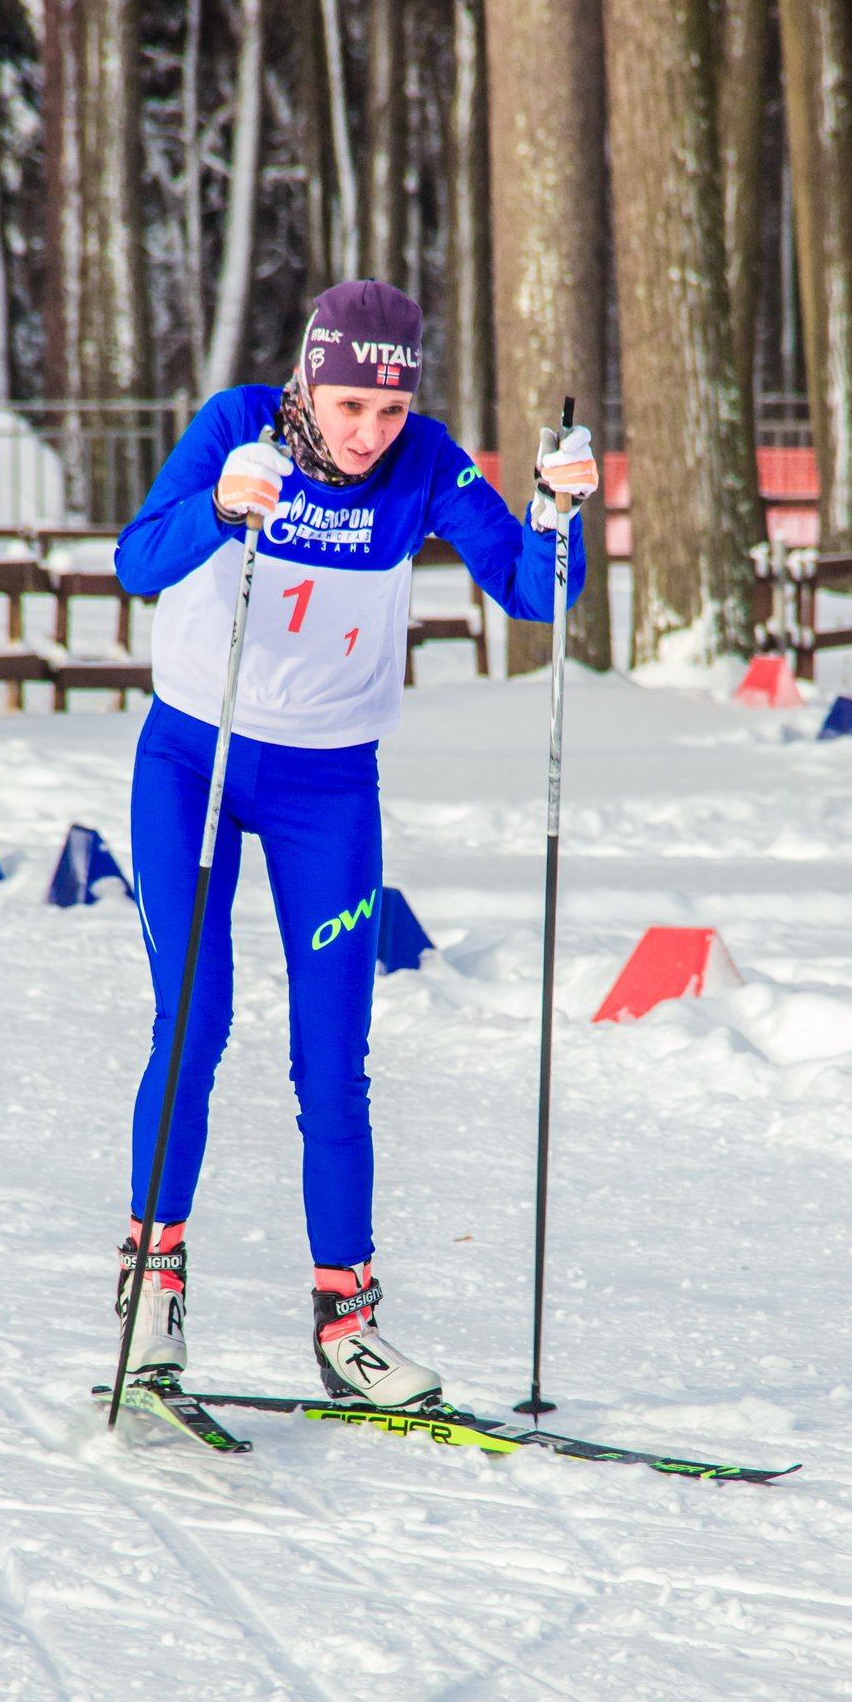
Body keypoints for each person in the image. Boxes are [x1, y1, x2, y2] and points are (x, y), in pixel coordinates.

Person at [112, 279, 598, 1410]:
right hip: (197, 761)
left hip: (330, 785)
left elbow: (533, 591)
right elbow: (136, 564)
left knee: (333, 1061)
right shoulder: (236, 427)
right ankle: (152, 1291)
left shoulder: (427, 459)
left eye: (389, 411)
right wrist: (221, 508)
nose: (370, 436)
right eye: (348, 409)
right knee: (196, 1018)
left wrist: (562, 509)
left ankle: (349, 1325)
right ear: (308, 383)